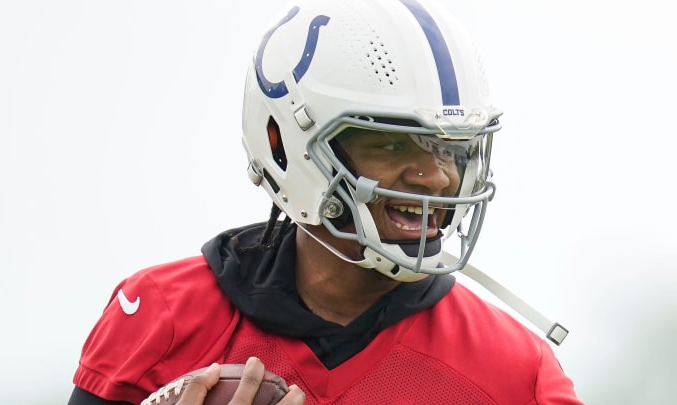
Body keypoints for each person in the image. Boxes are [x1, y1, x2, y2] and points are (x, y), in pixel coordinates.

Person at [68, 0, 583, 404]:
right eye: (389, 143)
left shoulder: (515, 370)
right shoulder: (163, 316)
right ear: (284, 144)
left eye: (453, 148)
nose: (437, 177)